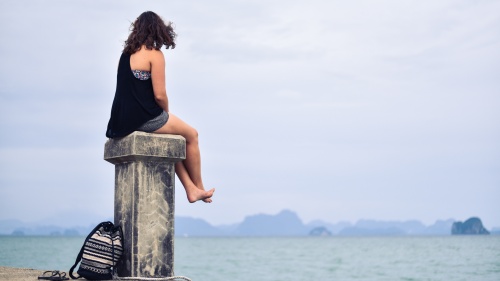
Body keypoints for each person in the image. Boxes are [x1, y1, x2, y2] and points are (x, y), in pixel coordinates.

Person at [106, 11, 215, 203]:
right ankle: (199, 187)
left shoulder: (124, 56)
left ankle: (190, 189)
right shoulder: (154, 54)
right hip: (144, 116)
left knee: (173, 140)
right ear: (158, 30)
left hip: (121, 120)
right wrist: (165, 113)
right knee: (192, 135)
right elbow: (159, 94)